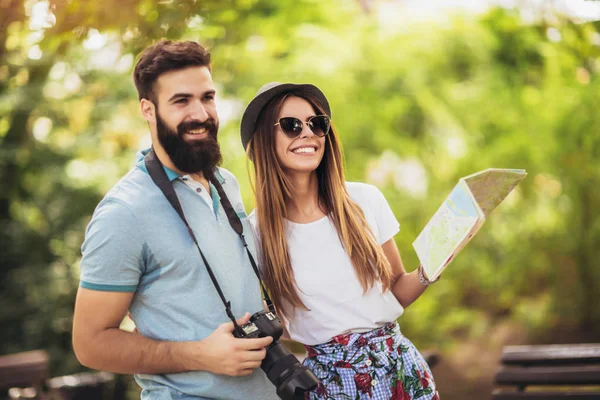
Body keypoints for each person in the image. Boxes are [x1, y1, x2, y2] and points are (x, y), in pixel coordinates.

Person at [72, 40, 279, 400]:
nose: (200, 113)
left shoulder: (225, 182)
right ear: (148, 110)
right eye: (181, 101)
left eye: (208, 97)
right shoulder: (123, 212)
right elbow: (89, 344)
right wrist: (200, 355)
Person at [240, 82, 441, 399]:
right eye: (292, 125)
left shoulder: (363, 200)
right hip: (330, 383)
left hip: (401, 370)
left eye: (316, 124)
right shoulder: (255, 234)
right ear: (265, 140)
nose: (307, 133)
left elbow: (397, 292)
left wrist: (432, 266)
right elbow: (268, 322)